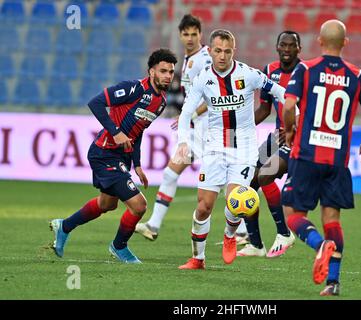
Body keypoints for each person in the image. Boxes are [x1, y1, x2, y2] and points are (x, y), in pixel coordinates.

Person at [282, 20, 361, 296]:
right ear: (345, 43)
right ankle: (333, 283)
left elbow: (289, 105)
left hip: (306, 155)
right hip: (337, 161)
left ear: (320, 40)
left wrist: (290, 130)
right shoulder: (357, 74)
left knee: (293, 214)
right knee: (332, 219)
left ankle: (318, 245)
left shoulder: (306, 69)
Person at [50, 49, 178, 264]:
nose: (167, 75)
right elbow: (96, 103)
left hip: (121, 158)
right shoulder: (133, 88)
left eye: (171, 72)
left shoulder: (161, 102)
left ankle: (64, 226)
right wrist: (117, 133)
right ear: (151, 71)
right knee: (139, 205)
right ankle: (119, 247)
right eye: (163, 71)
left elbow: (139, 130)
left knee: (106, 204)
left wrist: (137, 164)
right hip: (104, 152)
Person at [173, 29, 287, 270]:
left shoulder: (248, 74)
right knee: (203, 206)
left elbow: (280, 92)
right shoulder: (203, 78)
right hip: (215, 146)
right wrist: (183, 141)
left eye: (227, 51)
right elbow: (185, 113)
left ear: (233, 51)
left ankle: (229, 234)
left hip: (244, 148)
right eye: (217, 51)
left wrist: (294, 118)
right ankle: (198, 259)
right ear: (210, 51)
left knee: (235, 199)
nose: (222, 56)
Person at [135, 14, 215, 241]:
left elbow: (214, 95)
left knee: (224, 182)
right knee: (170, 173)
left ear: (201, 34)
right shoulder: (189, 58)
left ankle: (242, 231)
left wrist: (188, 114)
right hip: (194, 131)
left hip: (210, 130)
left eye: (194, 34)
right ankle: (153, 225)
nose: (190, 38)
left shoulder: (205, 58)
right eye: (186, 34)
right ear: (180, 35)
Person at [238, 31, 302, 258]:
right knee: (248, 181)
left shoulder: (305, 73)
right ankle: (255, 244)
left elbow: (311, 110)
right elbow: (265, 108)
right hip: (277, 137)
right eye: (282, 45)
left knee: (265, 176)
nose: (286, 49)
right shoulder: (270, 71)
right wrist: (241, 128)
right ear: (277, 47)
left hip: (297, 138)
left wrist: (295, 129)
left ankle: (284, 233)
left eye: (291, 46)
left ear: (298, 49)